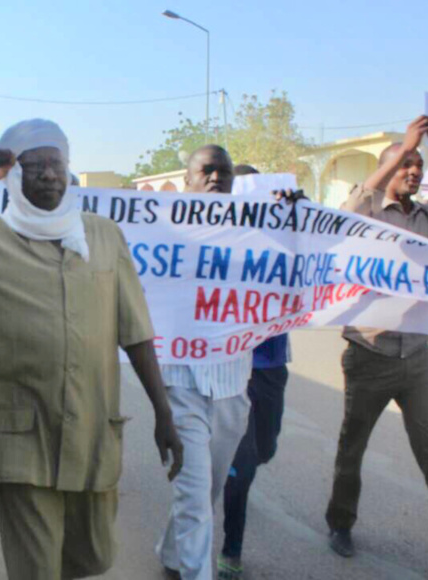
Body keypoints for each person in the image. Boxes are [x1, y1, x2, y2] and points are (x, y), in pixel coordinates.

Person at [0, 119, 183, 580]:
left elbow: (136, 331)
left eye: (57, 164)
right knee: (36, 569)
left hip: (91, 430)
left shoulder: (103, 235)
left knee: (91, 558)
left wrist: (163, 413)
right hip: (21, 438)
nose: (49, 175)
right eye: (34, 166)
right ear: (13, 176)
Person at [325, 116, 428, 580]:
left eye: (418, 164)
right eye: (405, 164)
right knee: (352, 449)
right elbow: (349, 208)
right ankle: (340, 521)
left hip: (418, 360)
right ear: (389, 167)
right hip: (368, 353)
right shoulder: (367, 214)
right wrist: (403, 146)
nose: (414, 170)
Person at [157, 147, 302, 580]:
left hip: (232, 385)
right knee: (195, 492)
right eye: (206, 170)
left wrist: (296, 218)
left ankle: (171, 553)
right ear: (188, 180)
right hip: (181, 382)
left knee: (209, 488)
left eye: (223, 171)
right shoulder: (163, 231)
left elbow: (300, 264)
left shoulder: (255, 234)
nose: (216, 177)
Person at [217, 164, 292, 580]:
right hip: (233, 368)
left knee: (265, 449)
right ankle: (232, 548)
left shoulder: (285, 236)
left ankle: (239, 476)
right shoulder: (219, 238)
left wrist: (296, 217)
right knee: (242, 465)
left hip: (271, 366)